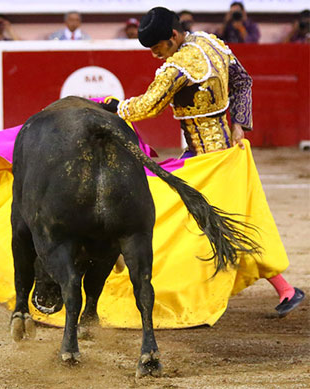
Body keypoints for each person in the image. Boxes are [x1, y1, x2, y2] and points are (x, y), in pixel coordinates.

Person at [102, 6, 304, 315]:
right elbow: (243, 81)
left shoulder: (179, 66)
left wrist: (114, 107)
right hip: (220, 151)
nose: (157, 55)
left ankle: (149, 283)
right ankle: (285, 289)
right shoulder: (211, 42)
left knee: (176, 212)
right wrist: (238, 124)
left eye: (159, 47)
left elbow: (146, 107)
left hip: (206, 161)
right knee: (227, 224)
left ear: (173, 35)